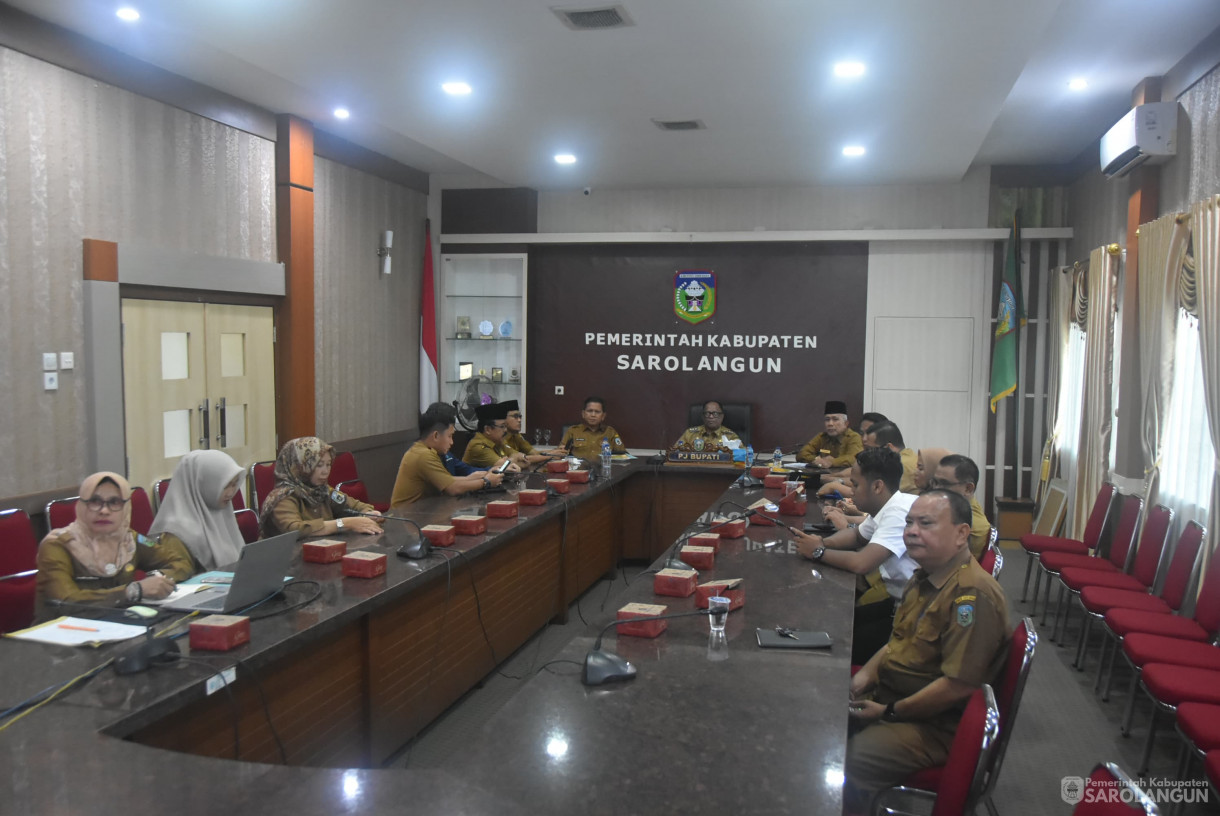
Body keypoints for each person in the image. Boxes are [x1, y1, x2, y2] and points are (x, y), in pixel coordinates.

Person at [843, 489, 1010, 812]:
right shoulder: (925, 576)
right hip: (895, 697)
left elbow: (958, 685)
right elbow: (899, 642)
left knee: (847, 759)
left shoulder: (971, 596)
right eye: (909, 522)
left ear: (962, 534)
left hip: (934, 726)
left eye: (926, 523)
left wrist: (889, 712)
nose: (911, 531)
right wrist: (864, 676)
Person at [791, 447, 919, 664]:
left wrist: (818, 552)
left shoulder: (898, 513)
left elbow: (862, 563)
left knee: (839, 644)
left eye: (856, 485)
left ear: (878, 486)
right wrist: (821, 541)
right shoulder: (889, 505)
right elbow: (857, 537)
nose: (850, 490)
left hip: (913, 618)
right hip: (899, 603)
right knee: (841, 624)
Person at [35, 472, 193, 616]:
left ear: (126, 508)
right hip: (59, 634)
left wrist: (158, 579)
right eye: (95, 501)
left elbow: (180, 562)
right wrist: (133, 591)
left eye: (114, 502)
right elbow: (65, 601)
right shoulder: (57, 545)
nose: (104, 510)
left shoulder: (131, 539)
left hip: (118, 625)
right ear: (81, 505)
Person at [259, 437, 383, 538]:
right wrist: (345, 523)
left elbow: (353, 505)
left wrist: (368, 513)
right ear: (300, 466)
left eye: (328, 465)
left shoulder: (323, 490)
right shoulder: (282, 497)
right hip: (285, 561)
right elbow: (296, 530)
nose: (325, 472)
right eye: (319, 465)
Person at [148, 450, 247, 571]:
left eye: (234, 484)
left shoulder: (219, 511)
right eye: (226, 485)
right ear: (202, 484)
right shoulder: (176, 532)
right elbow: (178, 581)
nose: (231, 493)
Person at [391, 402, 505, 505]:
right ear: (436, 436)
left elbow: (447, 481)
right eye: (449, 436)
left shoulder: (426, 450)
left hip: (422, 513)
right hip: (406, 519)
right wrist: (486, 482)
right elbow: (452, 488)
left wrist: (472, 478)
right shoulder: (424, 455)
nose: (452, 442)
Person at [818, 420, 917, 498]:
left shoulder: (903, 465)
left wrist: (835, 486)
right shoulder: (903, 455)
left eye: (871, 450)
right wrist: (836, 478)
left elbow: (872, 496)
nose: (868, 454)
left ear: (888, 447)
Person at [932, 454, 992, 560]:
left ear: (968, 489)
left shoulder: (965, 524)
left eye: (944, 484)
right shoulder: (964, 505)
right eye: (935, 483)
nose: (936, 489)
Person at [797, 400, 863, 468]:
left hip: (843, 476)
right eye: (827, 419)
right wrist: (818, 460)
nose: (830, 424)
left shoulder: (853, 437)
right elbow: (802, 454)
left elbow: (854, 458)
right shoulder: (821, 437)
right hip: (822, 475)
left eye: (835, 419)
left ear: (846, 424)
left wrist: (831, 462)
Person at [559, 396, 627, 462]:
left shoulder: (610, 432)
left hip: (603, 471)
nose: (593, 415)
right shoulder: (573, 431)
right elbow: (560, 453)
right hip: (578, 471)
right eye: (589, 411)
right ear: (583, 414)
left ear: (603, 416)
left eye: (597, 412)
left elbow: (623, 455)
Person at [463, 403, 526, 469]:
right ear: (488, 429)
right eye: (502, 426)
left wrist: (512, 459)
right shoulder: (477, 446)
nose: (505, 430)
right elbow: (505, 467)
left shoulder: (497, 441)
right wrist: (514, 458)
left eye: (505, 426)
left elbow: (523, 459)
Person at [501, 400, 564, 466]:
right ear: (503, 419)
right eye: (515, 416)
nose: (519, 420)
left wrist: (555, 451)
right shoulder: (500, 438)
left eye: (520, 417)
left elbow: (534, 453)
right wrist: (551, 455)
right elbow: (522, 459)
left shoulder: (516, 436)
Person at [673, 400, 741, 451]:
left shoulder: (730, 436)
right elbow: (675, 452)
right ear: (702, 416)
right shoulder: (690, 434)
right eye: (707, 413)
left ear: (722, 416)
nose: (711, 417)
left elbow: (743, 456)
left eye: (715, 414)